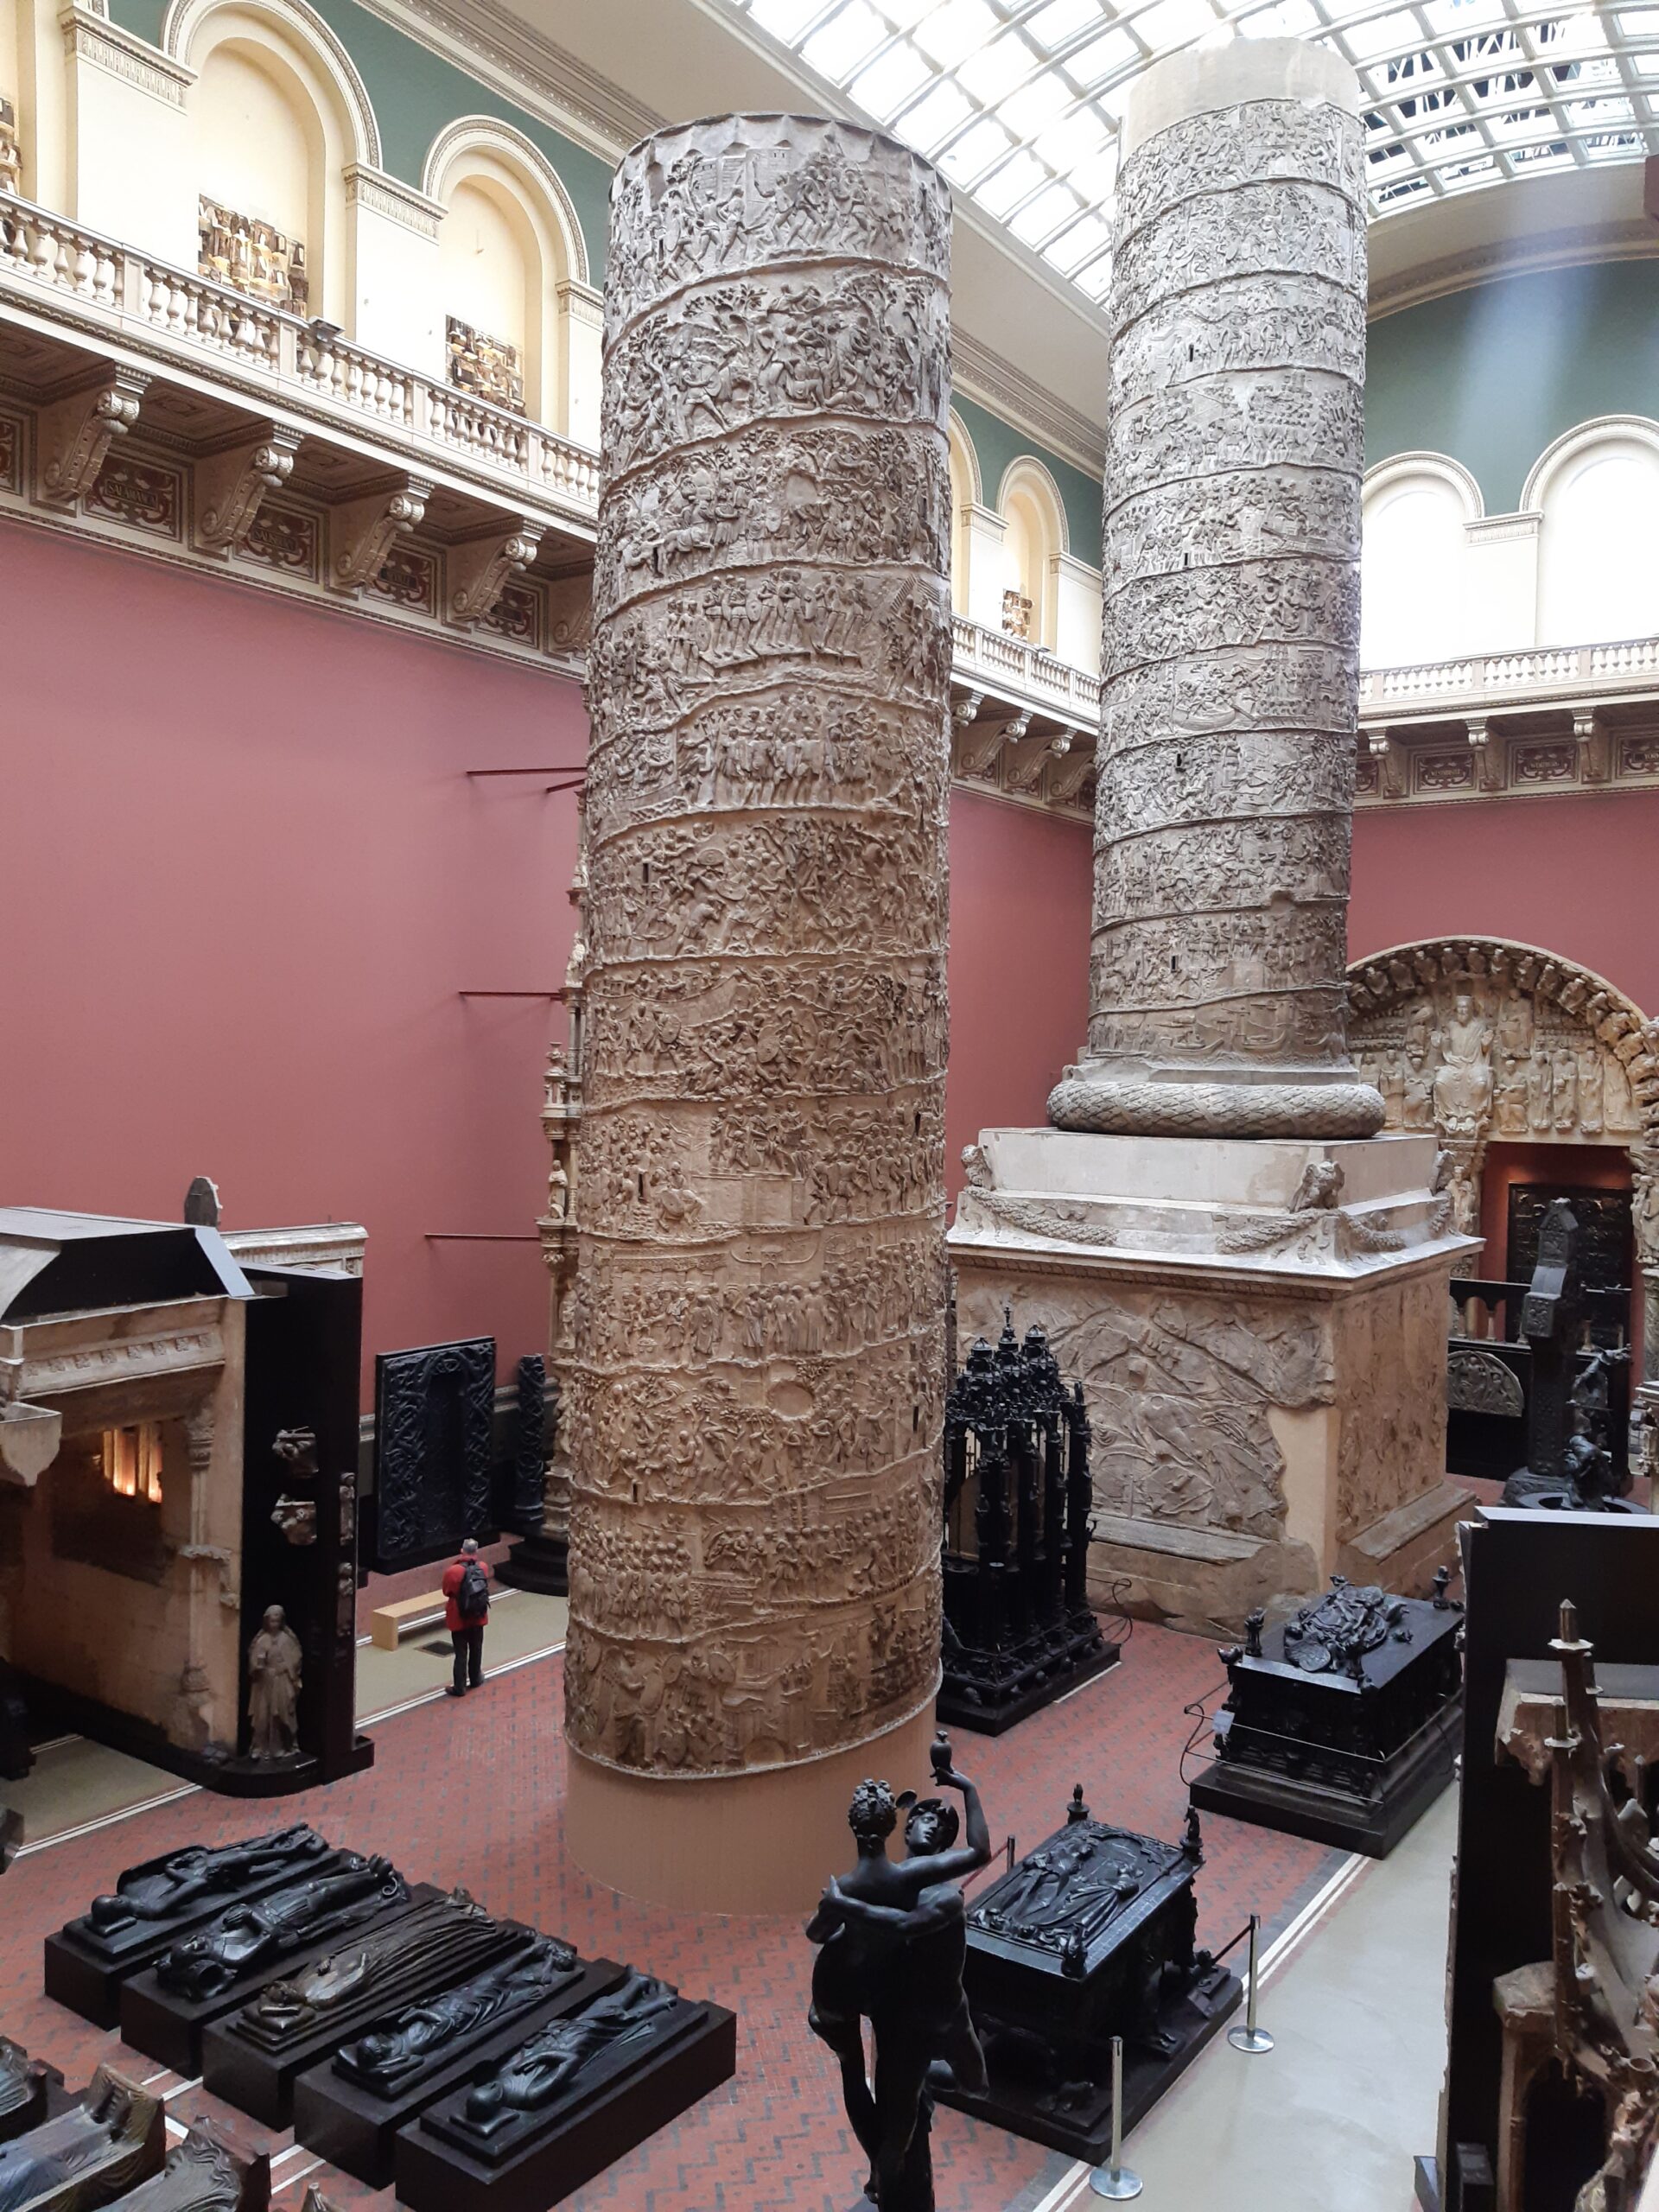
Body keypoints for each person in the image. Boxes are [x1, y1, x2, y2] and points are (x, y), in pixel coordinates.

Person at [442, 1538, 491, 1697]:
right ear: (476, 1551)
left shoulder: (453, 1571)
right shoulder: (482, 1567)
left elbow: (447, 1591)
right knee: (477, 1648)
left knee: (461, 1652)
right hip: (478, 1616)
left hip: (459, 1617)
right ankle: (476, 1678)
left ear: (462, 1550)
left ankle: (460, 1687)